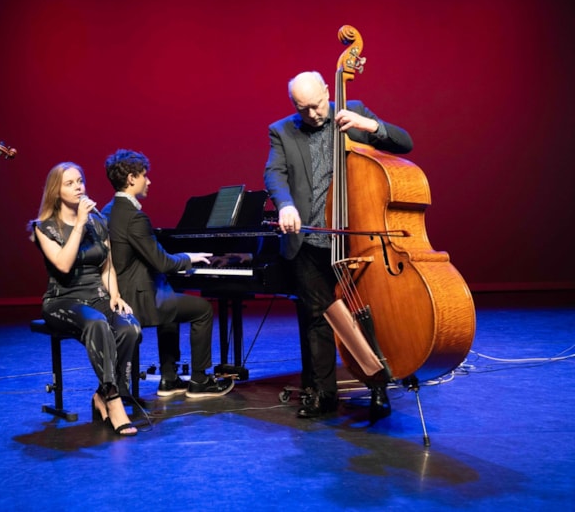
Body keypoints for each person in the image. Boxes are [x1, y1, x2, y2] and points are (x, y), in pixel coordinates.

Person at [263, 71, 414, 422]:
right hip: (309, 241)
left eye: (317, 106)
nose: (313, 114)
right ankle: (322, 394)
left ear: (327, 92)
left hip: (356, 241)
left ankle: (378, 386)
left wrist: (371, 126)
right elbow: (275, 173)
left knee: (367, 316)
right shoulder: (282, 130)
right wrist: (285, 205)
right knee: (317, 318)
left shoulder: (354, 111)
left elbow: (404, 143)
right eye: (303, 109)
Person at [102, 149, 234, 399]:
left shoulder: (108, 211)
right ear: (131, 178)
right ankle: (200, 380)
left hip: (122, 293)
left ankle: (169, 378)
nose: (148, 181)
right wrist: (189, 258)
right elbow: (162, 262)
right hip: (138, 300)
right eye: (144, 175)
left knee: (169, 297)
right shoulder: (134, 217)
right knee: (202, 309)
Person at [29, 162, 142, 436]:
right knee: (97, 323)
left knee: (130, 327)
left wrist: (115, 295)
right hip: (63, 300)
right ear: (56, 191)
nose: (78, 187)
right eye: (70, 183)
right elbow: (64, 264)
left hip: (97, 296)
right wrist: (79, 223)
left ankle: (102, 393)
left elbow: (108, 266)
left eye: (80, 181)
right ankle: (114, 400)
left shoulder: (98, 222)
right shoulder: (44, 227)